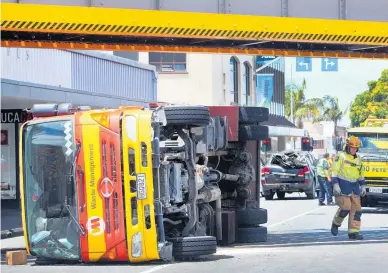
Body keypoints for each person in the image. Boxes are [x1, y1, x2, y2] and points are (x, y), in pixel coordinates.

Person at [331, 136, 366, 240]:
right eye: (352, 148)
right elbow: (334, 171)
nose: (354, 150)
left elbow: (361, 174)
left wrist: (363, 185)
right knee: (345, 208)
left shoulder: (359, 159)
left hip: (354, 188)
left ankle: (353, 232)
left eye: (356, 148)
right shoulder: (341, 156)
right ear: (347, 147)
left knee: (357, 210)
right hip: (343, 187)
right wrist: (335, 184)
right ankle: (336, 224)